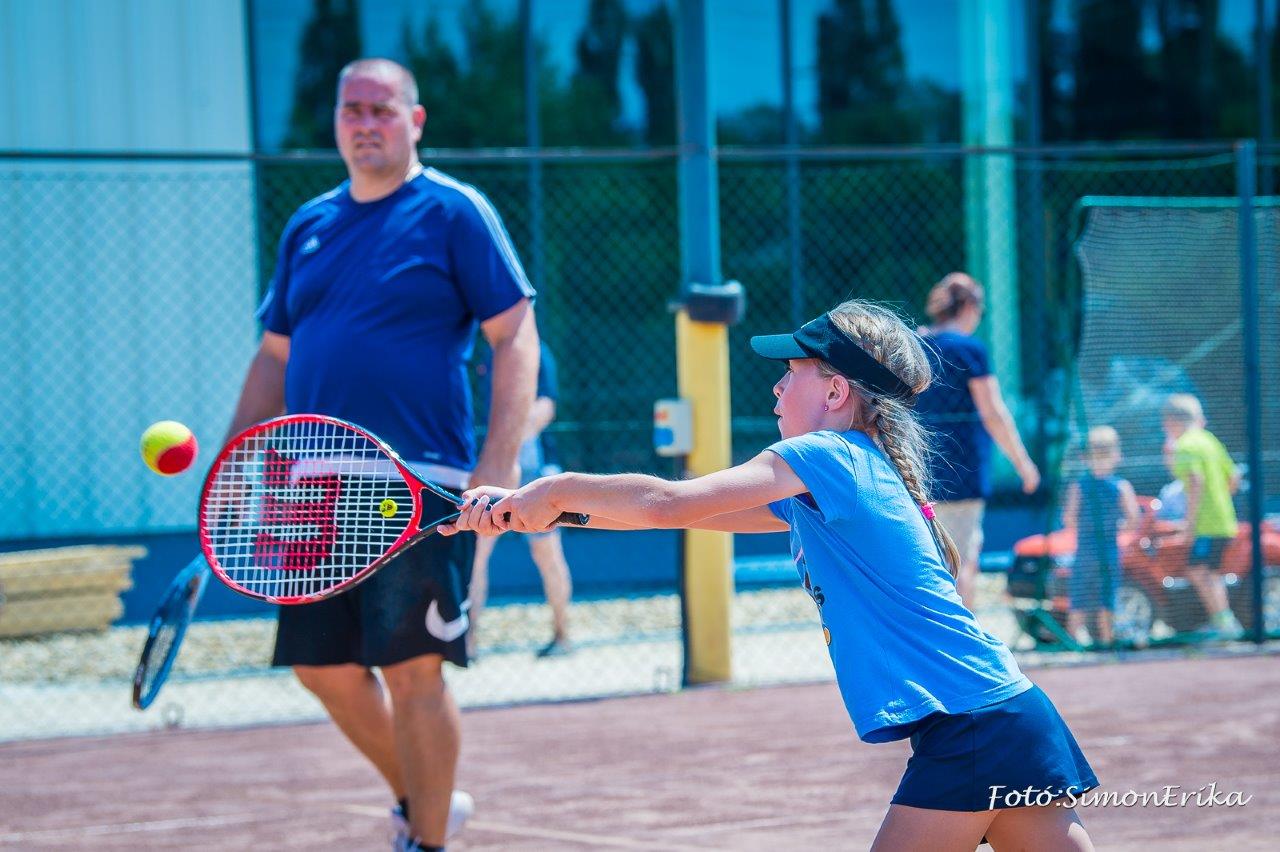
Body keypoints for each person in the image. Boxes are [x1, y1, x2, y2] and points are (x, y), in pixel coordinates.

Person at [446, 300, 1099, 850]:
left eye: (792, 374)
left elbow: (670, 500)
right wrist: (548, 513)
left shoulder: (825, 455)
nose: (777, 389)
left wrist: (553, 488)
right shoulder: (854, 469)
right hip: (1009, 714)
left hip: (973, 727)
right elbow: (691, 517)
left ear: (837, 391)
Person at [222, 58, 540, 852]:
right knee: (320, 668)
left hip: (416, 485)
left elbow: (515, 335)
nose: (365, 123)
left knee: (414, 670)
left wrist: (495, 465)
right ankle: (422, 797)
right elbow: (273, 357)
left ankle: (426, 841)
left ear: (415, 120)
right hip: (308, 486)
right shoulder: (308, 224)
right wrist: (234, 466)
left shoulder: (455, 212)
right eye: (351, 109)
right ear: (336, 121)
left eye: (381, 109)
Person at [914, 272, 1040, 612]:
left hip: (916, 468)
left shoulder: (915, 344)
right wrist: (1023, 464)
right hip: (961, 471)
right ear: (969, 306)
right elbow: (993, 412)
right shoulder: (969, 350)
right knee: (962, 561)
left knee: (931, 558)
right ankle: (962, 646)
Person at [469, 341, 575, 659]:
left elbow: (547, 405)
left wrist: (514, 439)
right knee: (477, 552)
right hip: (491, 465)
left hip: (533, 466)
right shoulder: (478, 352)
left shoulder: (538, 351)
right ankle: (468, 642)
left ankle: (562, 635)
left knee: (547, 552)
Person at [1161, 394, 1244, 639]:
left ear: (1171, 421)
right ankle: (1223, 622)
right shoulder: (1209, 440)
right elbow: (1234, 478)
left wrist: (1189, 523)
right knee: (1208, 572)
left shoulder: (1185, 444)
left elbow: (1195, 481)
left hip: (1206, 524)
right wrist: (1220, 500)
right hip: (1224, 519)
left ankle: (1225, 623)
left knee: (1200, 572)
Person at [1060, 427, 1139, 648]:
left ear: (1085, 457)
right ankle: (1106, 640)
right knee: (1108, 595)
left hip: (1086, 549)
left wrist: (1085, 527)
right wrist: (1117, 527)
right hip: (1108, 548)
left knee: (1079, 596)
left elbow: (1069, 517)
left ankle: (1071, 642)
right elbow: (1133, 518)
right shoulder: (1121, 486)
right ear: (1117, 454)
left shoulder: (1079, 486)